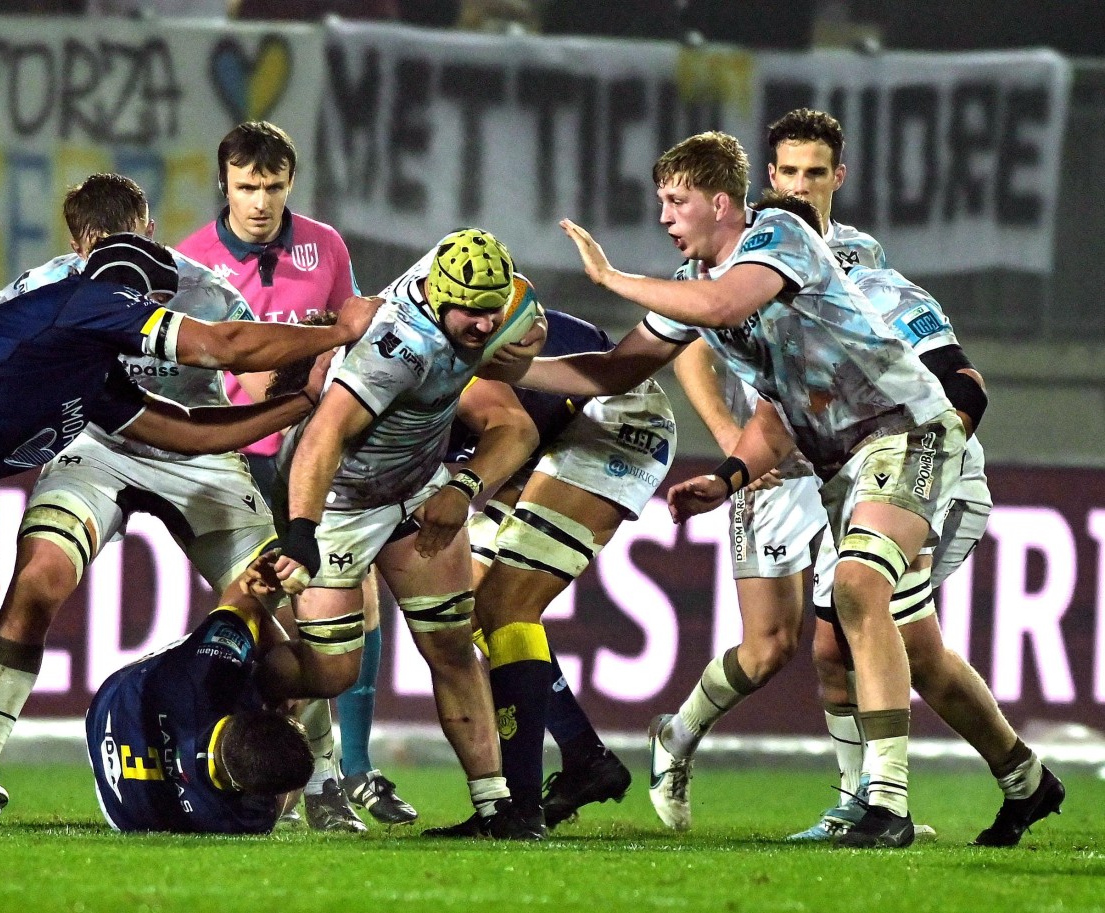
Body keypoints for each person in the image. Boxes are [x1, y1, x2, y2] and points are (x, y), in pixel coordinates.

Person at [0, 233, 371, 830]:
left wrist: (304, 401)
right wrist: (340, 332)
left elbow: (189, 432)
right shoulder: (91, 301)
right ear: (145, 297)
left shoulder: (84, 365)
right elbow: (222, 344)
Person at [509, 131, 965, 848]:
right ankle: (919, 795)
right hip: (829, 459)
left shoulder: (779, 231)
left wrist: (611, 277)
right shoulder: (694, 282)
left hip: (905, 428)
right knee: (816, 624)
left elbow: (725, 306)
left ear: (721, 203)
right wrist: (501, 368)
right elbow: (614, 371)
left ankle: (886, 801)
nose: (664, 216)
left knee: (857, 594)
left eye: (676, 200)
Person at [0, 173, 303, 822]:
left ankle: (310, 773)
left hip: (197, 454)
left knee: (270, 607)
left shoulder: (204, 290)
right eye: (101, 249)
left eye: (129, 244)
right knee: (39, 580)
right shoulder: (47, 285)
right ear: (78, 249)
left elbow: (262, 376)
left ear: (149, 233)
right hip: (97, 449)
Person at [271, 228, 548, 838]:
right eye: (471, 313)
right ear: (439, 298)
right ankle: (228, 689)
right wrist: (302, 531)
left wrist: (463, 486)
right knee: (331, 672)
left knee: (451, 644)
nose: (484, 325)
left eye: (492, 310)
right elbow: (323, 435)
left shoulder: (477, 298)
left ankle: (496, 808)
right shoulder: (398, 347)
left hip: (414, 491)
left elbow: (517, 429)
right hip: (339, 503)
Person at [176, 122, 402, 830]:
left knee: (354, 599)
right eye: (247, 186)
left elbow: (354, 334)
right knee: (268, 616)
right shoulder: (190, 261)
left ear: (289, 184)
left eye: (273, 186)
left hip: (315, 451)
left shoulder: (325, 246)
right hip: (237, 458)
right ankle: (304, 773)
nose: (260, 202)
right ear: (224, 184)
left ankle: (351, 770)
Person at [796, 263, 1063, 847]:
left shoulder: (875, 289)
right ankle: (1024, 780)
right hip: (863, 486)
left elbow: (963, 385)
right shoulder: (776, 310)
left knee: (871, 616)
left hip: (935, 480)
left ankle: (879, 802)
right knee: (867, 648)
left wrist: (925, 459)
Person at [458, 308, 675, 829]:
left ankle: (517, 809)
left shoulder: (398, 364)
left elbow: (517, 423)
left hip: (613, 416)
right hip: (549, 432)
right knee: (465, 605)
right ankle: (584, 757)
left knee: (506, 604)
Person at [87, 554, 315, 834]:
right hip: (123, 809)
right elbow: (279, 794)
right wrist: (296, 696)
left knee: (264, 647)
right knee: (290, 678)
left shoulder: (206, 670)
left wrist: (251, 585)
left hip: (114, 701)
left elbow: (242, 598)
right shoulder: (243, 819)